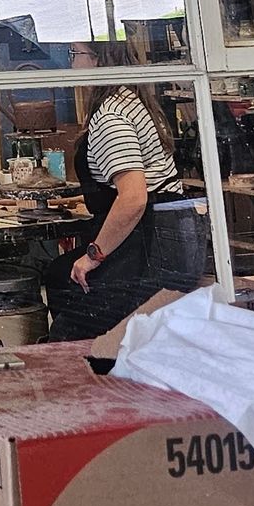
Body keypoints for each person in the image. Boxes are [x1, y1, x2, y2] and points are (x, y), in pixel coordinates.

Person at [45, 64, 183, 343]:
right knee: (58, 273)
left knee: (69, 335)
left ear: (98, 60)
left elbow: (133, 199)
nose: (73, 64)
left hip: (145, 246)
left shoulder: (112, 116)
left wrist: (93, 256)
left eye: (76, 54)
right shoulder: (133, 100)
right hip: (162, 239)